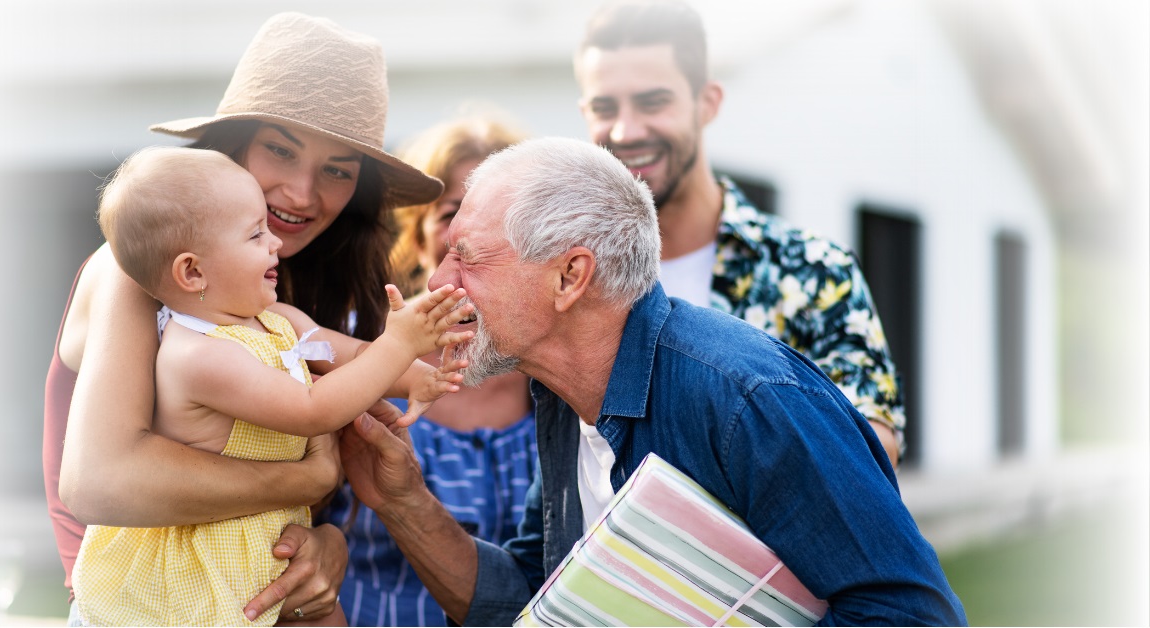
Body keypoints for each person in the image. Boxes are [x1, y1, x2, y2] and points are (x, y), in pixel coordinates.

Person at [338, 137, 968, 625]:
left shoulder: (746, 400)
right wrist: (402, 502)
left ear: (569, 277)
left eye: (466, 256)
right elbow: (534, 597)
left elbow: (913, 615)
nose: (438, 282)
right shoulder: (561, 396)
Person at [47, 13, 443, 624]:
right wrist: (307, 480)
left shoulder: (284, 287)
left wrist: (326, 546)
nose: (303, 193)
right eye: (280, 150)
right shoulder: (141, 276)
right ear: (232, 145)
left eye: (338, 169)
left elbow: (316, 497)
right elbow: (99, 483)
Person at [68, 146, 472, 626]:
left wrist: (417, 377)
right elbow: (312, 408)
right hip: (206, 561)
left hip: (265, 535)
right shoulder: (196, 355)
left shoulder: (273, 318)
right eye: (255, 233)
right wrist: (400, 342)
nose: (274, 243)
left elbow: (352, 356)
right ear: (192, 271)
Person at [574, 0, 906, 466]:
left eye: (654, 102)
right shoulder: (570, 277)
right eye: (605, 107)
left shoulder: (813, 270)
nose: (626, 130)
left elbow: (872, 451)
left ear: (707, 103)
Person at [319, 113, 537, 626]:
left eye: (503, 217)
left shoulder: (556, 373)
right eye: (453, 214)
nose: (476, 235)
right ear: (418, 239)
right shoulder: (351, 350)